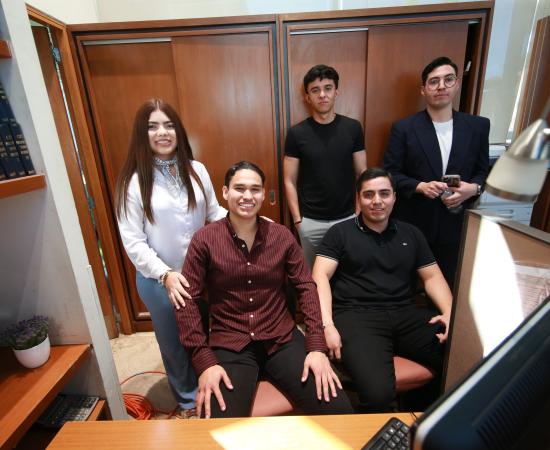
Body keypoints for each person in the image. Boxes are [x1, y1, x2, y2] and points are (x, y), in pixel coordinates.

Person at [175, 161, 353, 418]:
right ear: (225, 192)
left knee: (338, 410)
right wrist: (204, 362)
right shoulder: (204, 239)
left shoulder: (281, 236)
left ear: (263, 195)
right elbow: (188, 299)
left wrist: (316, 346)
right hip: (230, 341)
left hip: (281, 338)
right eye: (239, 188)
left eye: (255, 189)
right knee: (218, 425)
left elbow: (306, 286)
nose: (247, 196)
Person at [115, 98, 226, 418]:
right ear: (142, 134)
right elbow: (133, 242)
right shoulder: (133, 182)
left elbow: (214, 212)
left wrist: (252, 222)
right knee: (175, 344)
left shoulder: (196, 170)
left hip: (200, 273)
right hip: (159, 279)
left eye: (168, 125)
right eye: (153, 127)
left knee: (204, 333)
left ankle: (209, 384)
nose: (162, 132)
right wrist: (165, 274)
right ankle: (189, 401)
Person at [312, 167, 453, 413]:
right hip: (356, 316)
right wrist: (327, 325)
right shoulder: (339, 233)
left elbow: (432, 277)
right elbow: (319, 276)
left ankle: (426, 416)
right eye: (369, 195)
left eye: (384, 194)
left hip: (405, 313)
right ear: (359, 199)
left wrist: (451, 313)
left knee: (462, 355)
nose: (377, 201)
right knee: (378, 395)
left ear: (394, 197)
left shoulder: (411, 233)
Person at [383, 56, 490, 290]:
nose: (441, 86)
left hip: (455, 222)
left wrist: (473, 189)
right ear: (423, 90)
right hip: (414, 220)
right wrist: (419, 186)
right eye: (434, 81)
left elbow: (483, 171)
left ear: (457, 84)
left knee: (447, 285)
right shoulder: (404, 128)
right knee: (403, 285)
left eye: (448, 79)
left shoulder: (478, 126)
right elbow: (390, 173)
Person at [284, 64, 367, 268]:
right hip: (310, 222)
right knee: (312, 277)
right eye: (315, 90)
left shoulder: (353, 128)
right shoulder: (297, 133)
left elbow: (362, 173)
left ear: (336, 92)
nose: (322, 95)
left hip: (348, 218)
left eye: (328, 88)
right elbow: (289, 179)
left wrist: (358, 212)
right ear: (307, 97)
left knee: (347, 275)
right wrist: (298, 221)